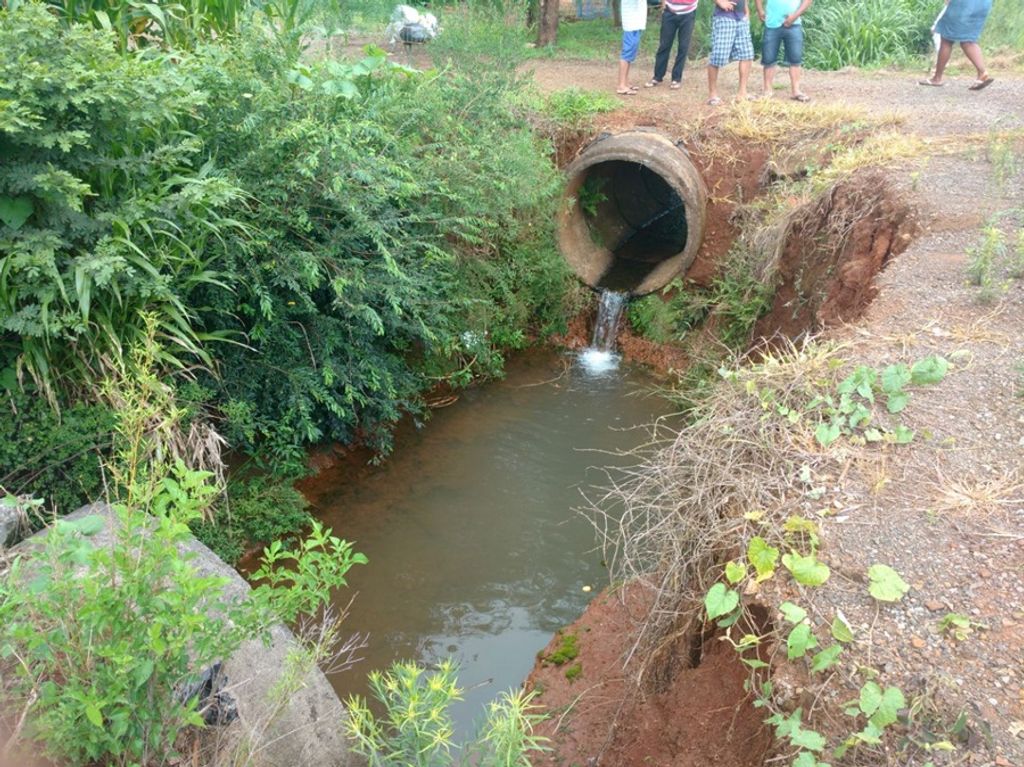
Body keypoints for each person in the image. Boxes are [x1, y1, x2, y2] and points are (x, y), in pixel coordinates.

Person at [919, 0, 994, 90]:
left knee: (947, 39)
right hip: (984, 4)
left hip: (964, 4)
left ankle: (937, 78)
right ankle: (982, 73)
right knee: (969, 39)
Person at [756, 0, 812, 100]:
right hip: (772, 23)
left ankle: (796, 91)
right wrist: (760, 10)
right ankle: (767, 91)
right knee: (769, 58)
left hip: (794, 23)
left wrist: (795, 16)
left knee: (795, 58)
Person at [707, 0, 755, 105]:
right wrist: (720, 2)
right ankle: (712, 95)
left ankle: (742, 93)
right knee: (718, 55)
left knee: (746, 54)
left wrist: (747, 12)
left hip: (741, 18)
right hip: (724, 17)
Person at [645, 0, 699, 90]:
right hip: (669, 11)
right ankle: (657, 76)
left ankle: (676, 78)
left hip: (688, 12)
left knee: (683, 47)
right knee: (664, 45)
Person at [618, 0, 649, 95]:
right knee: (627, 53)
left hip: (636, 22)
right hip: (631, 23)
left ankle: (625, 82)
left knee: (630, 54)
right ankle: (621, 85)